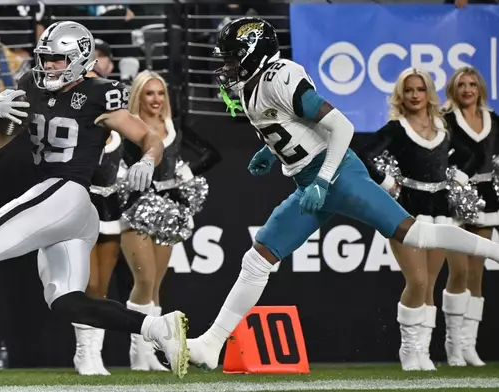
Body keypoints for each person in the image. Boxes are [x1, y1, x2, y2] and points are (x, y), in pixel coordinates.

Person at [0, 21, 189, 379]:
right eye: (45, 58)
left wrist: (148, 159)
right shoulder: (30, 86)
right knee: (68, 302)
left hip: (67, 191)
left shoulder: (100, 92)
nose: (48, 66)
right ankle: (158, 328)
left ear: (79, 58)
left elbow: (150, 136)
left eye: (56, 59)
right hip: (64, 206)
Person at [186, 17, 499, 371]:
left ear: (256, 52)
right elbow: (285, 126)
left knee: (416, 234)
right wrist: (269, 152)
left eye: (234, 56)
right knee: (257, 259)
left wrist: (323, 179)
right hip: (308, 182)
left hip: (337, 176)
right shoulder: (249, 85)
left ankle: (495, 251)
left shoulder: (280, 77)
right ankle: (211, 344)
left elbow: (341, 126)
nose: (228, 65)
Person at [361, 68, 480, 371]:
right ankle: (408, 348)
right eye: (409, 90)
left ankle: (422, 353)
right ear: (401, 94)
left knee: (430, 285)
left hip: (439, 209)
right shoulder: (395, 128)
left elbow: (473, 152)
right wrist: (387, 182)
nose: (414, 95)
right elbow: (363, 155)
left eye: (420, 89)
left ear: (428, 93)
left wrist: (461, 176)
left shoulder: (442, 126)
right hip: (405, 210)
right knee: (417, 280)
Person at [120, 70, 189, 372]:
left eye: (160, 93)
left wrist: (183, 177)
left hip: (167, 210)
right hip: (135, 208)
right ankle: (138, 351)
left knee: (156, 285)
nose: (156, 99)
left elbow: (203, 155)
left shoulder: (172, 126)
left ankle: (149, 352)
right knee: (144, 280)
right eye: (149, 93)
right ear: (138, 96)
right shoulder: (128, 126)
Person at [70, 39, 123, 376]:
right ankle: (83, 352)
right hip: (80, 204)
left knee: (102, 287)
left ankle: (94, 354)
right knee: (86, 284)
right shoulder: (75, 125)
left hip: (111, 207)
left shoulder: (121, 126)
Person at [441, 66, 498, 367]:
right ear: (453, 88)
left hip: (487, 200)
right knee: (459, 271)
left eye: (472, 84)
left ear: (480, 89)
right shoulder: (445, 121)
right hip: (453, 200)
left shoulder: (494, 121)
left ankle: (468, 346)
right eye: (461, 84)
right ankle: (453, 346)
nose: (467, 89)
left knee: (477, 275)